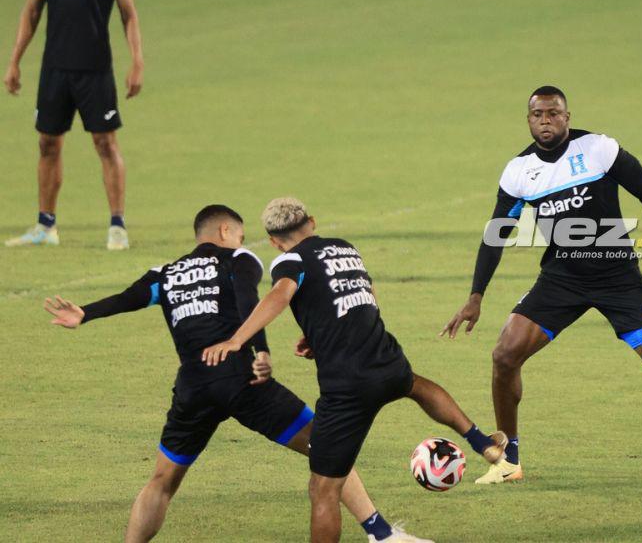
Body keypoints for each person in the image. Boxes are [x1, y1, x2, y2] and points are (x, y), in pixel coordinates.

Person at [44, 205, 428, 543]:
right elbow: (249, 301)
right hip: (244, 381)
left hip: (194, 387)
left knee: (162, 482)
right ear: (226, 232)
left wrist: (85, 313)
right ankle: (381, 533)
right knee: (325, 446)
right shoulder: (239, 259)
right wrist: (260, 350)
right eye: (241, 234)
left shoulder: (165, 273)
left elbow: (128, 298)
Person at [443, 85, 642, 486]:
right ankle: (509, 460)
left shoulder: (598, 149)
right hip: (562, 278)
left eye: (553, 113)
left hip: (619, 278)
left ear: (567, 117)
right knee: (505, 354)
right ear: (528, 120)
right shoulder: (519, 172)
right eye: (537, 115)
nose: (545, 120)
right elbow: (496, 235)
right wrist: (475, 297)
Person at [202, 198, 505, 543]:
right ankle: (482, 442)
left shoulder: (289, 260)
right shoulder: (344, 248)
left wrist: (238, 340)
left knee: (323, 489)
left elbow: (279, 295)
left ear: (273, 241)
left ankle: (378, 534)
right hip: (385, 357)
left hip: (347, 386)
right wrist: (318, 333)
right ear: (312, 223)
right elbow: (363, 294)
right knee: (416, 386)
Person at [5, 0, 144, 250]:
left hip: (96, 70)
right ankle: (45, 226)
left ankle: (117, 225)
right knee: (48, 143)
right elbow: (32, 12)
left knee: (105, 142)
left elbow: (129, 15)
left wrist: (137, 61)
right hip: (55, 70)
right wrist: (15, 61)